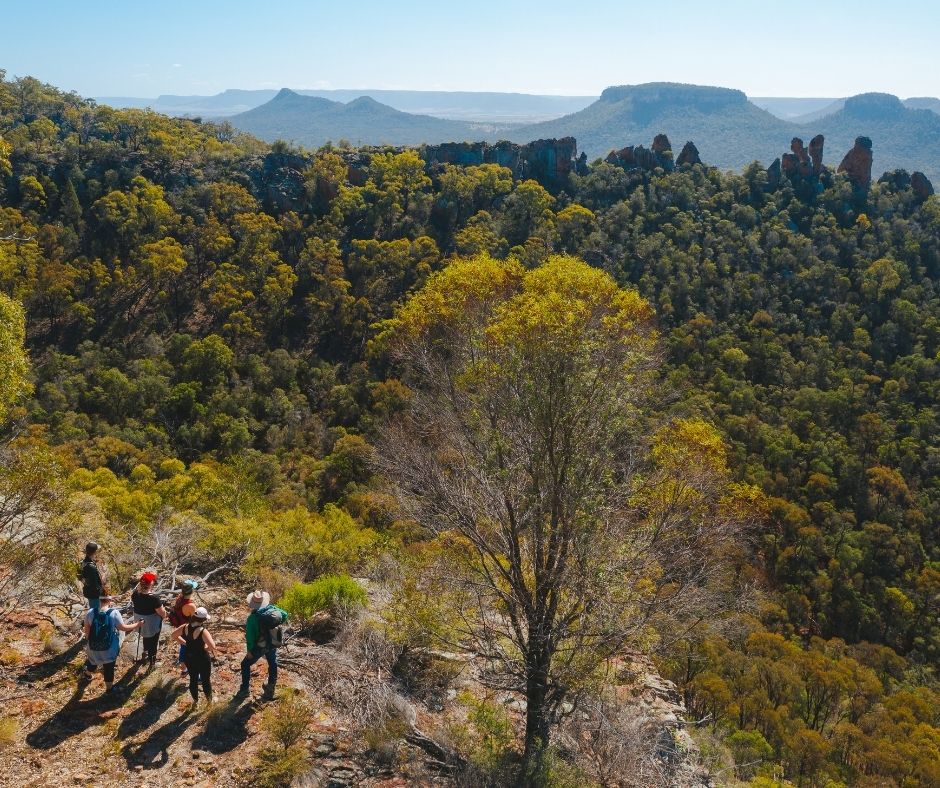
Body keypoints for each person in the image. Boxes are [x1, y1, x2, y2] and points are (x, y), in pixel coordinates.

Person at [82, 595, 142, 694]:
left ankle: (87, 674)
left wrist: (93, 643)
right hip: (109, 648)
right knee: (109, 668)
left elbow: (87, 632)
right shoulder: (114, 613)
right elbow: (124, 628)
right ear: (109, 600)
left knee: (93, 661)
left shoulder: (90, 612)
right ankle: (109, 689)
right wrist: (138, 624)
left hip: (93, 646)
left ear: (99, 599)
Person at [236, 590, 288, 699]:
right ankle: (271, 687)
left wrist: (250, 651)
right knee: (273, 662)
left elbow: (250, 637)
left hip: (259, 646)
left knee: (245, 664)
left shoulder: (252, 618)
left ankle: (245, 689)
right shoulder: (272, 609)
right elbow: (285, 615)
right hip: (272, 643)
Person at [171, 606, 217, 707]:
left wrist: (185, 643)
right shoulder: (202, 631)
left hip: (189, 657)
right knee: (205, 680)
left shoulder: (185, 627)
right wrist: (205, 648)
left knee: (193, 679)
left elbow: (173, 635)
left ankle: (195, 701)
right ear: (204, 619)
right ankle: (209, 701)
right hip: (202, 658)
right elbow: (212, 646)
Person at [131, 571, 166, 670]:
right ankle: (152, 664)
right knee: (153, 642)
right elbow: (162, 613)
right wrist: (165, 615)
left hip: (140, 623)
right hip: (152, 624)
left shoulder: (135, 594)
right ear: (151, 583)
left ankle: (145, 653)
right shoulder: (154, 599)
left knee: (146, 637)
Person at [168, 580, 198, 676]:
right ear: (192, 591)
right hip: (188, 630)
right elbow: (196, 621)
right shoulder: (191, 606)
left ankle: (184, 670)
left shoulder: (179, 599)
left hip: (180, 628)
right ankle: (192, 670)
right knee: (190, 649)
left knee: (183, 646)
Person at [78, 542, 106, 611]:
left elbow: (80, 576)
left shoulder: (83, 563)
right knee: (96, 614)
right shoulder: (91, 566)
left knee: (93, 612)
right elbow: (95, 585)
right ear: (95, 552)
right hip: (95, 595)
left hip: (88, 591)